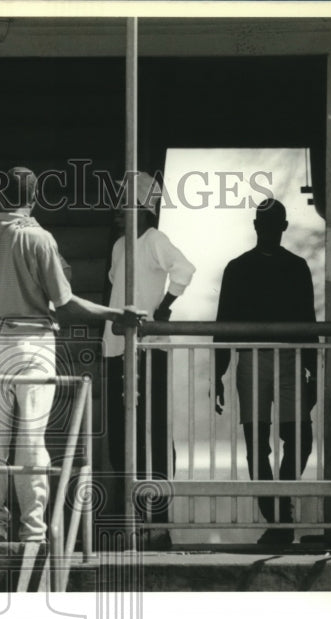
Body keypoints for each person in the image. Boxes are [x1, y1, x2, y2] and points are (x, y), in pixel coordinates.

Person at [0, 167, 146, 544]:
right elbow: (64, 303)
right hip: (32, 343)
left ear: (0, 196)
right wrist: (117, 314)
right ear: (33, 200)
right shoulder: (40, 238)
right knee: (31, 440)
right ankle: (33, 530)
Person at [213, 198, 317, 546]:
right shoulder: (245, 268)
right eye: (267, 224)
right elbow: (224, 323)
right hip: (263, 358)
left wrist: (312, 369)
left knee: (293, 439)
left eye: (272, 224)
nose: (270, 229)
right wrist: (218, 373)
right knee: (268, 443)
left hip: (277, 358)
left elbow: (307, 322)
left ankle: (279, 514)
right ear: (260, 227)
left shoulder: (256, 267)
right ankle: (279, 517)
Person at [103, 171, 196, 534]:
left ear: (140, 208)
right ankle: (135, 514)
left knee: (152, 431)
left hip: (147, 351)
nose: (115, 209)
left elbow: (184, 270)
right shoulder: (119, 245)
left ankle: (157, 516)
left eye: (122, 202)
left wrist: (165, 309)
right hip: (116, 349)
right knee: (121, 435)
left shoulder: (154, 239)